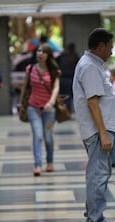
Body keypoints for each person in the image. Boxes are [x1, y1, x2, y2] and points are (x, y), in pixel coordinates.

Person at [72, 28, 115, 222]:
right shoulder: (90, 67)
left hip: (97, 129)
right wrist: (103, 133)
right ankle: (96, 220)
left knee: (98, 173)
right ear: (100, 46)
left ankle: (93, 216)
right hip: (97, 130)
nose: (111, 51)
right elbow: (92, 102)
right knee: (98, 175)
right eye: (110, 46)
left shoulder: (91, 65)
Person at [18, 43, 60, 176]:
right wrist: (20, 103)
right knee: (38, 135)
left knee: (48, 137)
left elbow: (56, 87)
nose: (39, 53)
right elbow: (25, 87)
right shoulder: (30, 69)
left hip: (49, 109)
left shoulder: (54, 71)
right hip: (33, 107)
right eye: (38, 51)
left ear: (48, 55)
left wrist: (51, 102)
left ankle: (50, 162)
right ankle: (37, 164)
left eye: (42, 51)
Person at [56, 42, 79, 113]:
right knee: (68, 97)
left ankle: (60, 111)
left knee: (61, 96)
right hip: (70, 80)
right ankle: (68, 111)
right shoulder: (75, 57)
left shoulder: (61, 57)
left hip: (61, 79)